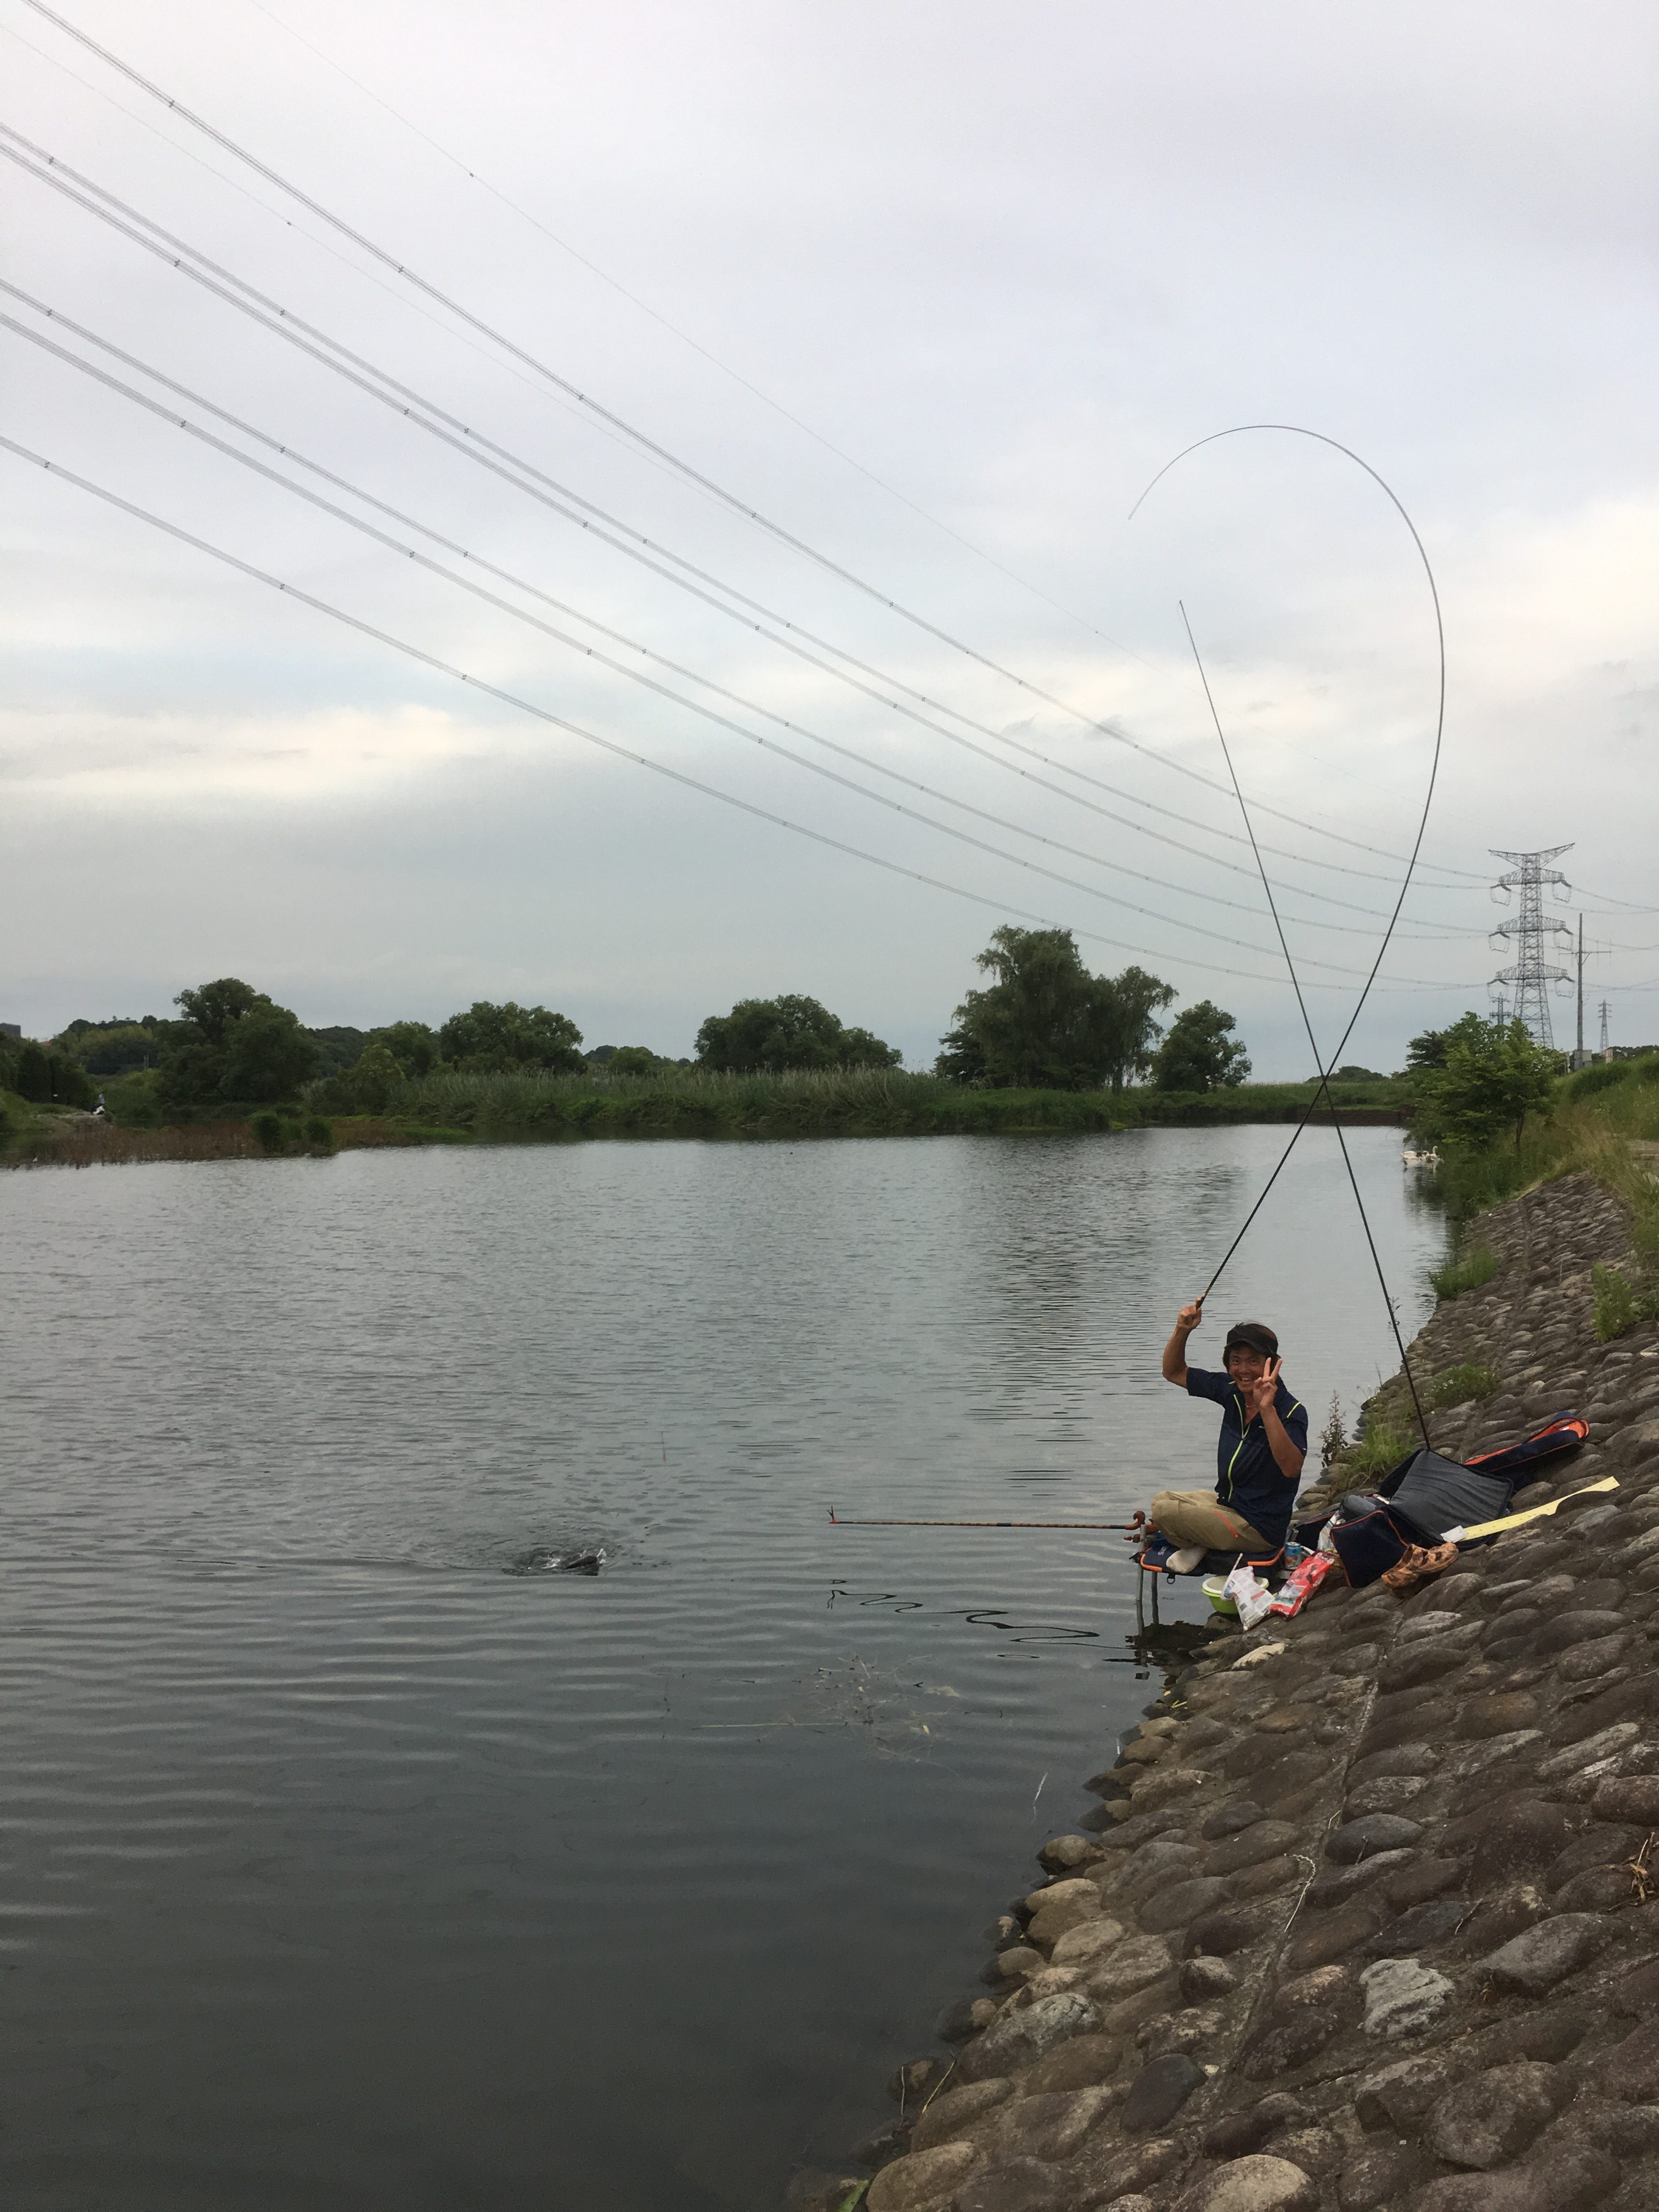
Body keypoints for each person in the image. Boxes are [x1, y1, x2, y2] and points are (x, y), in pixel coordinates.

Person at [1149, 1304, 1308, 1564]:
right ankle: (1205, 1542)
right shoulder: (1231, 1392)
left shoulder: (1291, 1411)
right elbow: (1174, 1372)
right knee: (1162, 1499)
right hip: (1229, 1506)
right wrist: (1182, 1330)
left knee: (1166, 1512)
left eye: (1253, 1361)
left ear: (1272, 1365)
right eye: (1236, 1361)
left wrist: (1267, 1409)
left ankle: (1203, 1544)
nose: (1243, 1370)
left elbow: (1291, 1468)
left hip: (1259, 1528)